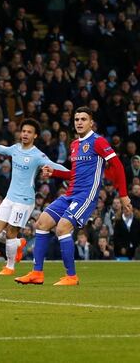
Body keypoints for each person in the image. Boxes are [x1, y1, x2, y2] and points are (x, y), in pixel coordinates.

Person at [16, 107, 131, 286]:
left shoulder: (98, 141)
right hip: (70, 194)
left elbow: (118, 166)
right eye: (76, 119)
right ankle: (36, 273)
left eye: (83, 119)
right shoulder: (75, 145)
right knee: (41, 223)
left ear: (91, 122)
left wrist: (123, 195)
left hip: (86, 196)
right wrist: (54, 172)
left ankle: (71, 276)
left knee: (62, 227)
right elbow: (74, 174)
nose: (79, 122)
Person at [0, 119, 69, 274]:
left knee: (11, 231)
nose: (25, 134)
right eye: (23, 131)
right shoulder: (15, 148)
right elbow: (3, 149)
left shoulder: (38, 155)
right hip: (10, 198)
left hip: (24, 200)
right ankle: (18, 243)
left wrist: (72, 173)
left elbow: (53, 165)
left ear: (35, 135)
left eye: (29, 132)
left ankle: (10, 266)